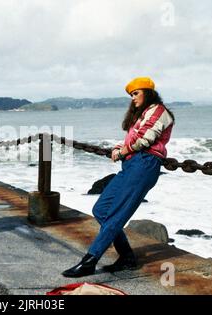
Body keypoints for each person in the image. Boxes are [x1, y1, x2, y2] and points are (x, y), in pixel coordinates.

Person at [62, 77, 175, 278]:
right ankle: (127, 257)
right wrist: (119, 148)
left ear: (148, 92)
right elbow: (133, 139)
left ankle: (90, 260)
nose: (133, 99)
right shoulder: (142, 115)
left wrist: (123, 150)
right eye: (131, 95)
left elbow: (147, 138)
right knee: (101, 209)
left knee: (115, 214)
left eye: (136, 93)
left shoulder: (159, 110)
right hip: (131, 164)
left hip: (144, 164)